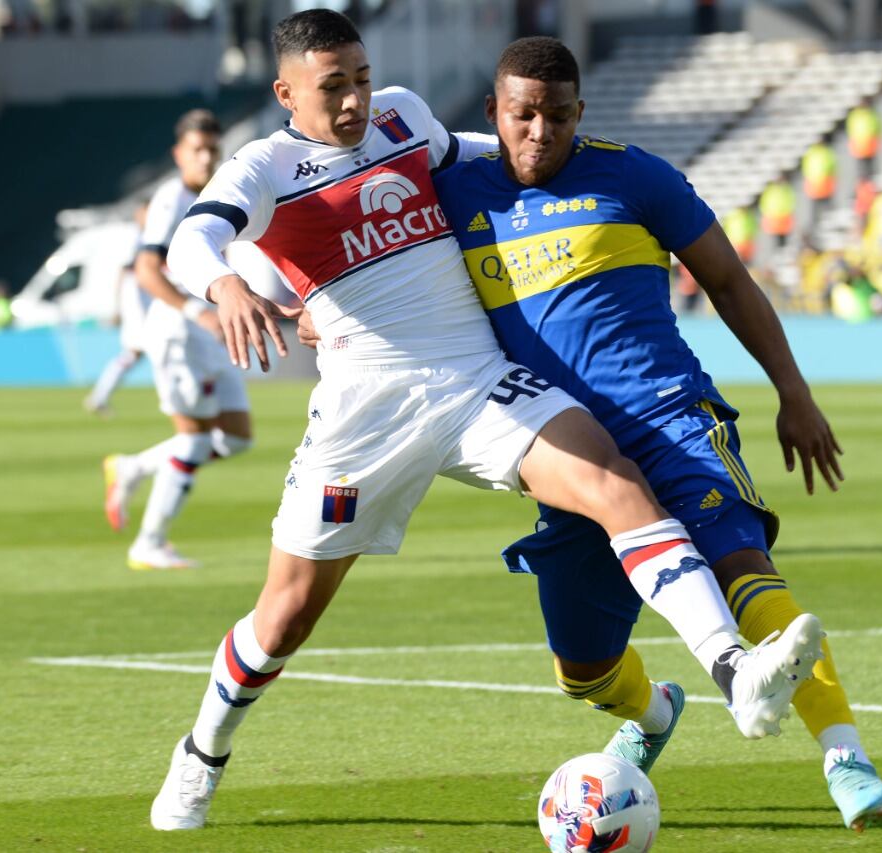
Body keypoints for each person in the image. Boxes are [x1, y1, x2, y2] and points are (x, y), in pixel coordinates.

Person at [149, 10, 824, 832]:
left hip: (477, 381)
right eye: (334, 88)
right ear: (288, 92)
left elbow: (486, 156)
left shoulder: (405, 115)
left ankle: (733, 669)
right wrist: (226, 286)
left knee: (618, 485)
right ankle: (202, 754)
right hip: (367, 407)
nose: (356, 100)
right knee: (286, 612)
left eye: (361, 78)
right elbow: (192, 240)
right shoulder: (267, 164)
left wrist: (567, 162)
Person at [429, 36, 882, 832]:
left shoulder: (633, 174)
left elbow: (727, 278)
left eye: (558, 116)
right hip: (562, 450)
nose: (541, 132)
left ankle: (845, 755)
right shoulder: (455, 195)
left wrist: (793, 391)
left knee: (744, 562)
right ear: (492, 115)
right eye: (523, 115)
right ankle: (652, 714)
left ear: (581, 112)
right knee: (582, 667)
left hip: (669, 418)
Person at [101, 110, 256, 571]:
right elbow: (147, 270)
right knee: (191, 441)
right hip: (179, 333)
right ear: (179, 154)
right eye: (197, 150)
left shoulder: (219, 192)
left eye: (212, 148)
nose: (206, 157)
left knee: (237, 438)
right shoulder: (172, 199)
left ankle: (133, 467)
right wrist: (193, 311)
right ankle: (148, 543)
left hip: (209, 331)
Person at [84, 203, 150, 416]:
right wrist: (119, 306)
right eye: (145, 212)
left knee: (135, 353)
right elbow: (125, 271)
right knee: (138, 350)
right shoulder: (135, 237)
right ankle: (98, 397)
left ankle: (99, 397)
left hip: (146, 293)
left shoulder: (149, 235)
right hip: (138, 295)